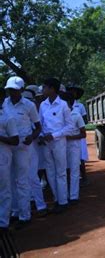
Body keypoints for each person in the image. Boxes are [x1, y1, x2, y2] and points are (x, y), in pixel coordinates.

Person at [3, 77, 42, 229]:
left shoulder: (29, 105)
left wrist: (32, 137)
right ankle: (14, 211)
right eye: (9, 90)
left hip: (23, 146)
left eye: (14, 90)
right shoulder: (4, 104)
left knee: (22, 180)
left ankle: (25, 215)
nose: (11, 92)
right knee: (9, 180)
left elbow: (38, 127)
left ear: (20, 90)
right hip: (7, 145)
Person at [39, 77, 74, 213]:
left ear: (52, 89)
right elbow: (40, 123)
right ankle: (56, 199)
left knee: (60, 172)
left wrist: (54, 135)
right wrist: (43, 135)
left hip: (58, 142)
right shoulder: (43, 105)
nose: (43, 90)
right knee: (50, 172)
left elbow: (70, 127)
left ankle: (63, 202)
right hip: (46, 143)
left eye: (45, 87)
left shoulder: (63, 105)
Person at [21, 85, 48, 218]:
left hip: (33, 145)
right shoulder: (9, 107)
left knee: (33, 176)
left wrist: (33, 136)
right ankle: (26, 205)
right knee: (22, 179)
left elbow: (38, 127)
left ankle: (39, 204)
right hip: (18, 148)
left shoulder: (32, 108)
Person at [0, 88, 19, 234]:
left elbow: (15, 140)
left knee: (4, 189)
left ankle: (3, 223)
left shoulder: (7, 118)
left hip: (3, 157)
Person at [61, 92, 86, 204]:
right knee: (63, 171)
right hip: (62, 146)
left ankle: (74, 196)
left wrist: (70, 137)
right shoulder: (60, 116)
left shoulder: (76, 115)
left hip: (74, 145)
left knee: (74, 170)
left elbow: (83, 134)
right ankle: (64, 196)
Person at [67, 86, 89, 186]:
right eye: (71, 91)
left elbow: (85, 120)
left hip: (78, 134)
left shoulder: (80, 106)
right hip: (67, 135)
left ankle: (84, 177)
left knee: (81, 156)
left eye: (74, 92)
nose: (72, 93)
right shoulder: (64, 106)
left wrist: (76, 123)